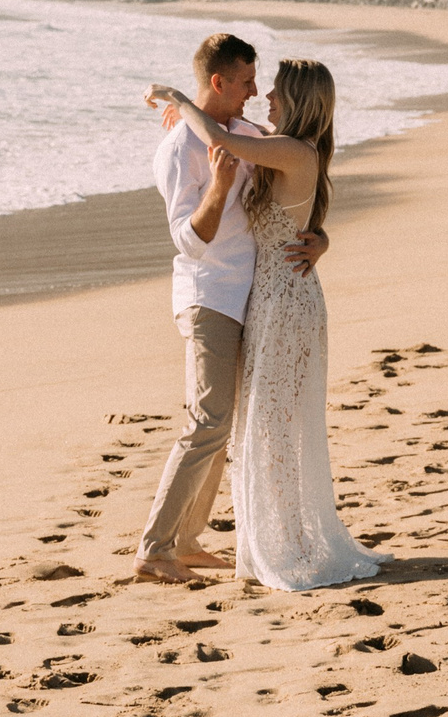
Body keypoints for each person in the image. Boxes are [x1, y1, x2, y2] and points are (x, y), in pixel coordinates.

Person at [145, 55, 386, 591]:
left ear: (298, 99)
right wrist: (321, 238)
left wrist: (180, 101)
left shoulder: (288, 149)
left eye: (274, 89)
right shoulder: (280, 145)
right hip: (266, 297)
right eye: (255, 84)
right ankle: (240, 539)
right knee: (258, 422)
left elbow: (226, 142)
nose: (264, 95)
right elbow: (295, 214)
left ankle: (280, 542)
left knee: (271, 425)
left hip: (282, 302)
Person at [132, 33, 327, 584]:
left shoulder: (242, 133)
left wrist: (321, 238)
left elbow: (299, 184)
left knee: (222, 426)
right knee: (207, 423)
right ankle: (155, 549)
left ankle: (188, 539)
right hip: (208, 299)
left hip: (252, 299)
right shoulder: (177, 150)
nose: (255, 91)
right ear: (218, 82)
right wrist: (218, 187)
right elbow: (189, 241)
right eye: (245, 82)